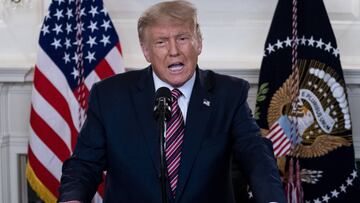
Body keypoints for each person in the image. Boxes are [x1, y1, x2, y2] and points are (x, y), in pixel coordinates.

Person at [58, 1, 286, 202]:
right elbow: (84, 164)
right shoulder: (109, 96)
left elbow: (255, 153)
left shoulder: (229, 93)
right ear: (146, 51)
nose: (174, 51)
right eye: (161, 42)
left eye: (183, 38)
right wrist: (72, 199)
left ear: (199, 43)